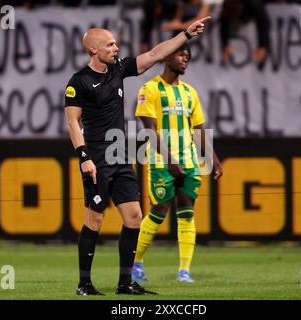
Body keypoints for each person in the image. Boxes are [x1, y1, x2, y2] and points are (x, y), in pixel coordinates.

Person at [64, 16, 211, 296]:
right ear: (94, 50)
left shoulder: (118, 69)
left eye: (116, 43)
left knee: (134, 217)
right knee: (94, 220)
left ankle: (125, 283)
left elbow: (156, 54)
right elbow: (73, 122)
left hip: (120, 155)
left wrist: (186, 35)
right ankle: (84, 284)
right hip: (96, 157)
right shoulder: (79, 82)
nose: (116, 48)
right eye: (110, 44)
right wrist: (84, 157)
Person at [132, 43, 222, 283]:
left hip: (189, 162)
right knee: (158, 212)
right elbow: (149, 130)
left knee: (187, 214)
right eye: (180, 54)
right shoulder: (149, 89)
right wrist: (170, 160)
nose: (185, 58)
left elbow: (199, 129)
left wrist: (213, 159)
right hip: (162, 162)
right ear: (166, 56)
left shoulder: (190, 92)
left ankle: (184, 271)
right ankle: (136, 262)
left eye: (188, 55)